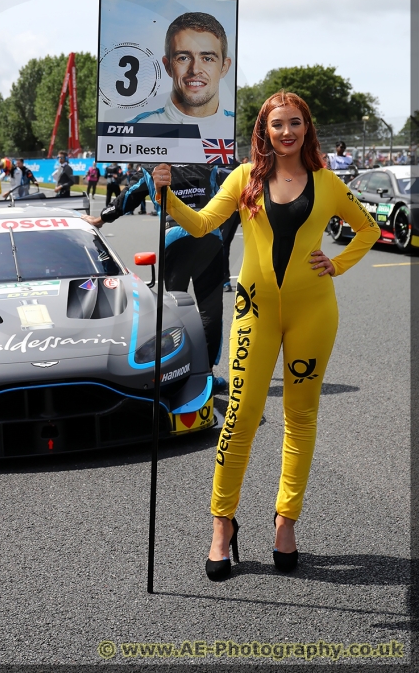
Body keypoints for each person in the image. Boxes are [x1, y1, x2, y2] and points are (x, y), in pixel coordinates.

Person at [151, 92, 380, 580]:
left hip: (314, 313)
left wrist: (336, 264)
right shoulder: (243, 179)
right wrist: (165, 194)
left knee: (300, 417)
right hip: (254, 313)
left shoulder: (328, 182)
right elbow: (201, 224)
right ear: (265, 130)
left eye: (295, 123)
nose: (287, 132)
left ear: (306, 127)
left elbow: (368, 230)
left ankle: (285, 521)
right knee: (240, 414)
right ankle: (221, 524)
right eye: (278, 124)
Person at [84, 162, 232, 388]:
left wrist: (100, 219)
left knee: (174, 311)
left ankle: (177, 373)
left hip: (174, 237)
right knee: (210, 310)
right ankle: (207, 374)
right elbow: (245, 185)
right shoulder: (209, 165)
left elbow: (128, 197)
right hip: (209, 237)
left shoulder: (152, 165)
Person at [128, 12, 234, 136]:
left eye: (207, 58)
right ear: (167, 66)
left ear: (224, 67)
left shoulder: (242, 131)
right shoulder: (135, 131)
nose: (195, 69)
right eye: (183, 58)